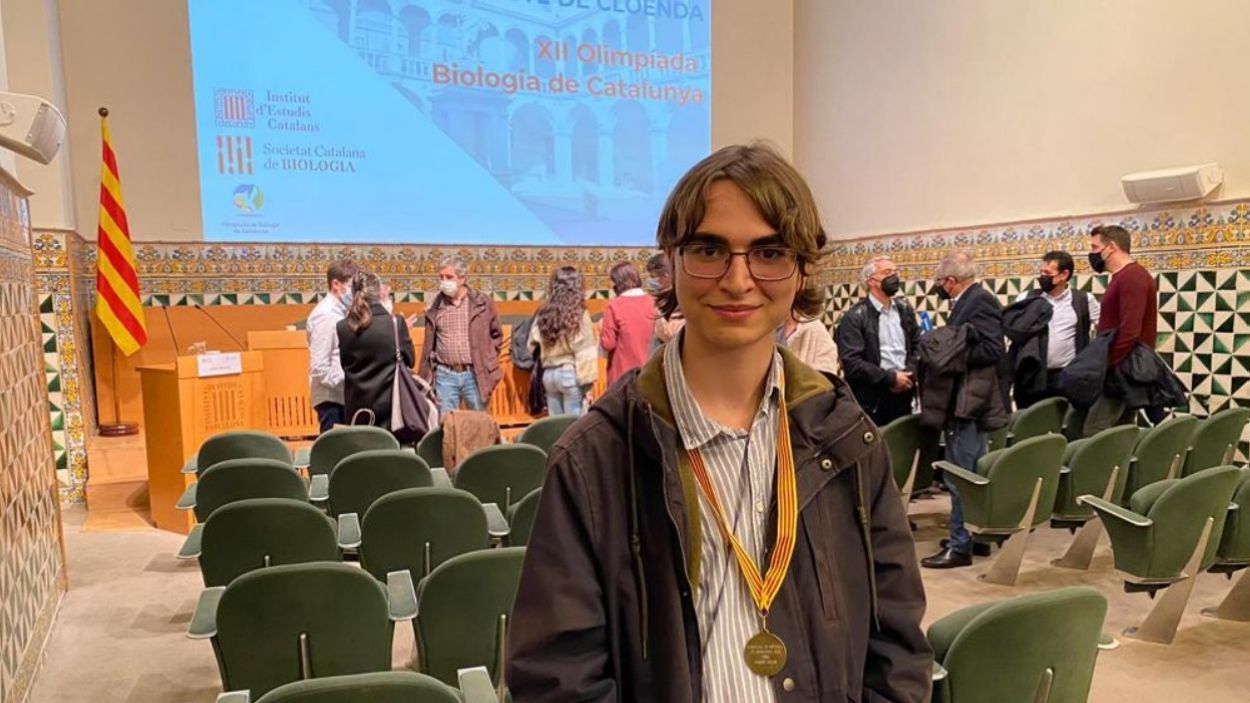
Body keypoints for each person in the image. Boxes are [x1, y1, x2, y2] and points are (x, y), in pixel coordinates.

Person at [509, 144, 931, 702]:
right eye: (709, 249)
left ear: (802, 268)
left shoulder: (847, 438)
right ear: (671, 260)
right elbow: (558, 677)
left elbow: (897, 644)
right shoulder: (594, 459)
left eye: (769, 252)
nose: (737, 280)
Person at [920, 251, 1007, 569]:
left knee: (960, 475)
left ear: (950, 280)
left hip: (970, 402)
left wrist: (951, 352)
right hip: (968, 399)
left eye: (939, 282)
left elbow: (993, 349)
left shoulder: (979, 301)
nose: (939, 287)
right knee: (967, 472)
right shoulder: (970, 300)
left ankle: (960, 546)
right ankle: (972, 537)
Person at [1083, 224, 1157, 436]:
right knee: (1120, 432)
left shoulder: (1131, 277)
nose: (1092, 253)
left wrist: (1109, 363)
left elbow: (1130, 330)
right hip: (1122, 368)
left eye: (1095, 247)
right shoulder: (1124, 276)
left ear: (1111, 247)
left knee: (1094, 433)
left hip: (1121, 370)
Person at [835, 256, 920, 427]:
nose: (894, 277)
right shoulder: (855, 317)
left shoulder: (905, 310)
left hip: (905, 394)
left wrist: (909, 373)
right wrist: (890, 379)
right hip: (872, 401)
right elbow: (852, 362)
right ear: (871, 281)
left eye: (895, 272)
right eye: (887, 272)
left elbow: (918, 346)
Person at [1011, 251, 1099, 408]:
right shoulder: (1026, 298)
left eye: (1047, 273)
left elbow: (1103, 329)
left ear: (1064, 274)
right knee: (1028, 420)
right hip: (1031, 378)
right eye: (1041, 272)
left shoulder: (1084, 300)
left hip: (1067, 378)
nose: (1042, 277)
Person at [417, 256, 504, 414]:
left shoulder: (483, 303)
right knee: (446, 423)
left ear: (462, 278)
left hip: (475, 374)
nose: (444, 281)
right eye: (441, 277)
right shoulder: (435, 307)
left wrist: (487, 359)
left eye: (449, 277)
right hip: (445, 375)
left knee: (479, 422)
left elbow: (496, 335)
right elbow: (430, 344)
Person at [337, 271, 414, 432]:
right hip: (392, 411)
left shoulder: (343, 327)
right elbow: (410, 360)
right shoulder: (396, 323)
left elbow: (345, 365)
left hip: (357, 411)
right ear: (379, 292)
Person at [528, 266, 597, 417]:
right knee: (574, 426)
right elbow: (585, 352)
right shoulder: (579, 313)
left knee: (556, 425)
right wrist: (588, 387)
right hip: (570, 374)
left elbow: (531, 344)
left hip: (549, 375)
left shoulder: (544, 312)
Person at [306, 259, 357, 432]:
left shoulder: (340, 311)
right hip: (332, 400)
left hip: (341, 396)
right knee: (336, 447)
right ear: (336, 284)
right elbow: (319, 367)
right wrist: (349, 382)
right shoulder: (326, 315)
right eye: (351, 286)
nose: (355, 292)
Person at [600, 261, 656, 386]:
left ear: (617, 283)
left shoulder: (614, 305)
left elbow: (607, 343)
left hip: (621, 374)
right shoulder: (653, 302)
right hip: (650, 372)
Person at [647, 252, 685, 350]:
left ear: (667, 275)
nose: (653, 281)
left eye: (654, 277)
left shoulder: (681, 296)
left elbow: (672, 332)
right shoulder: (663, 298)